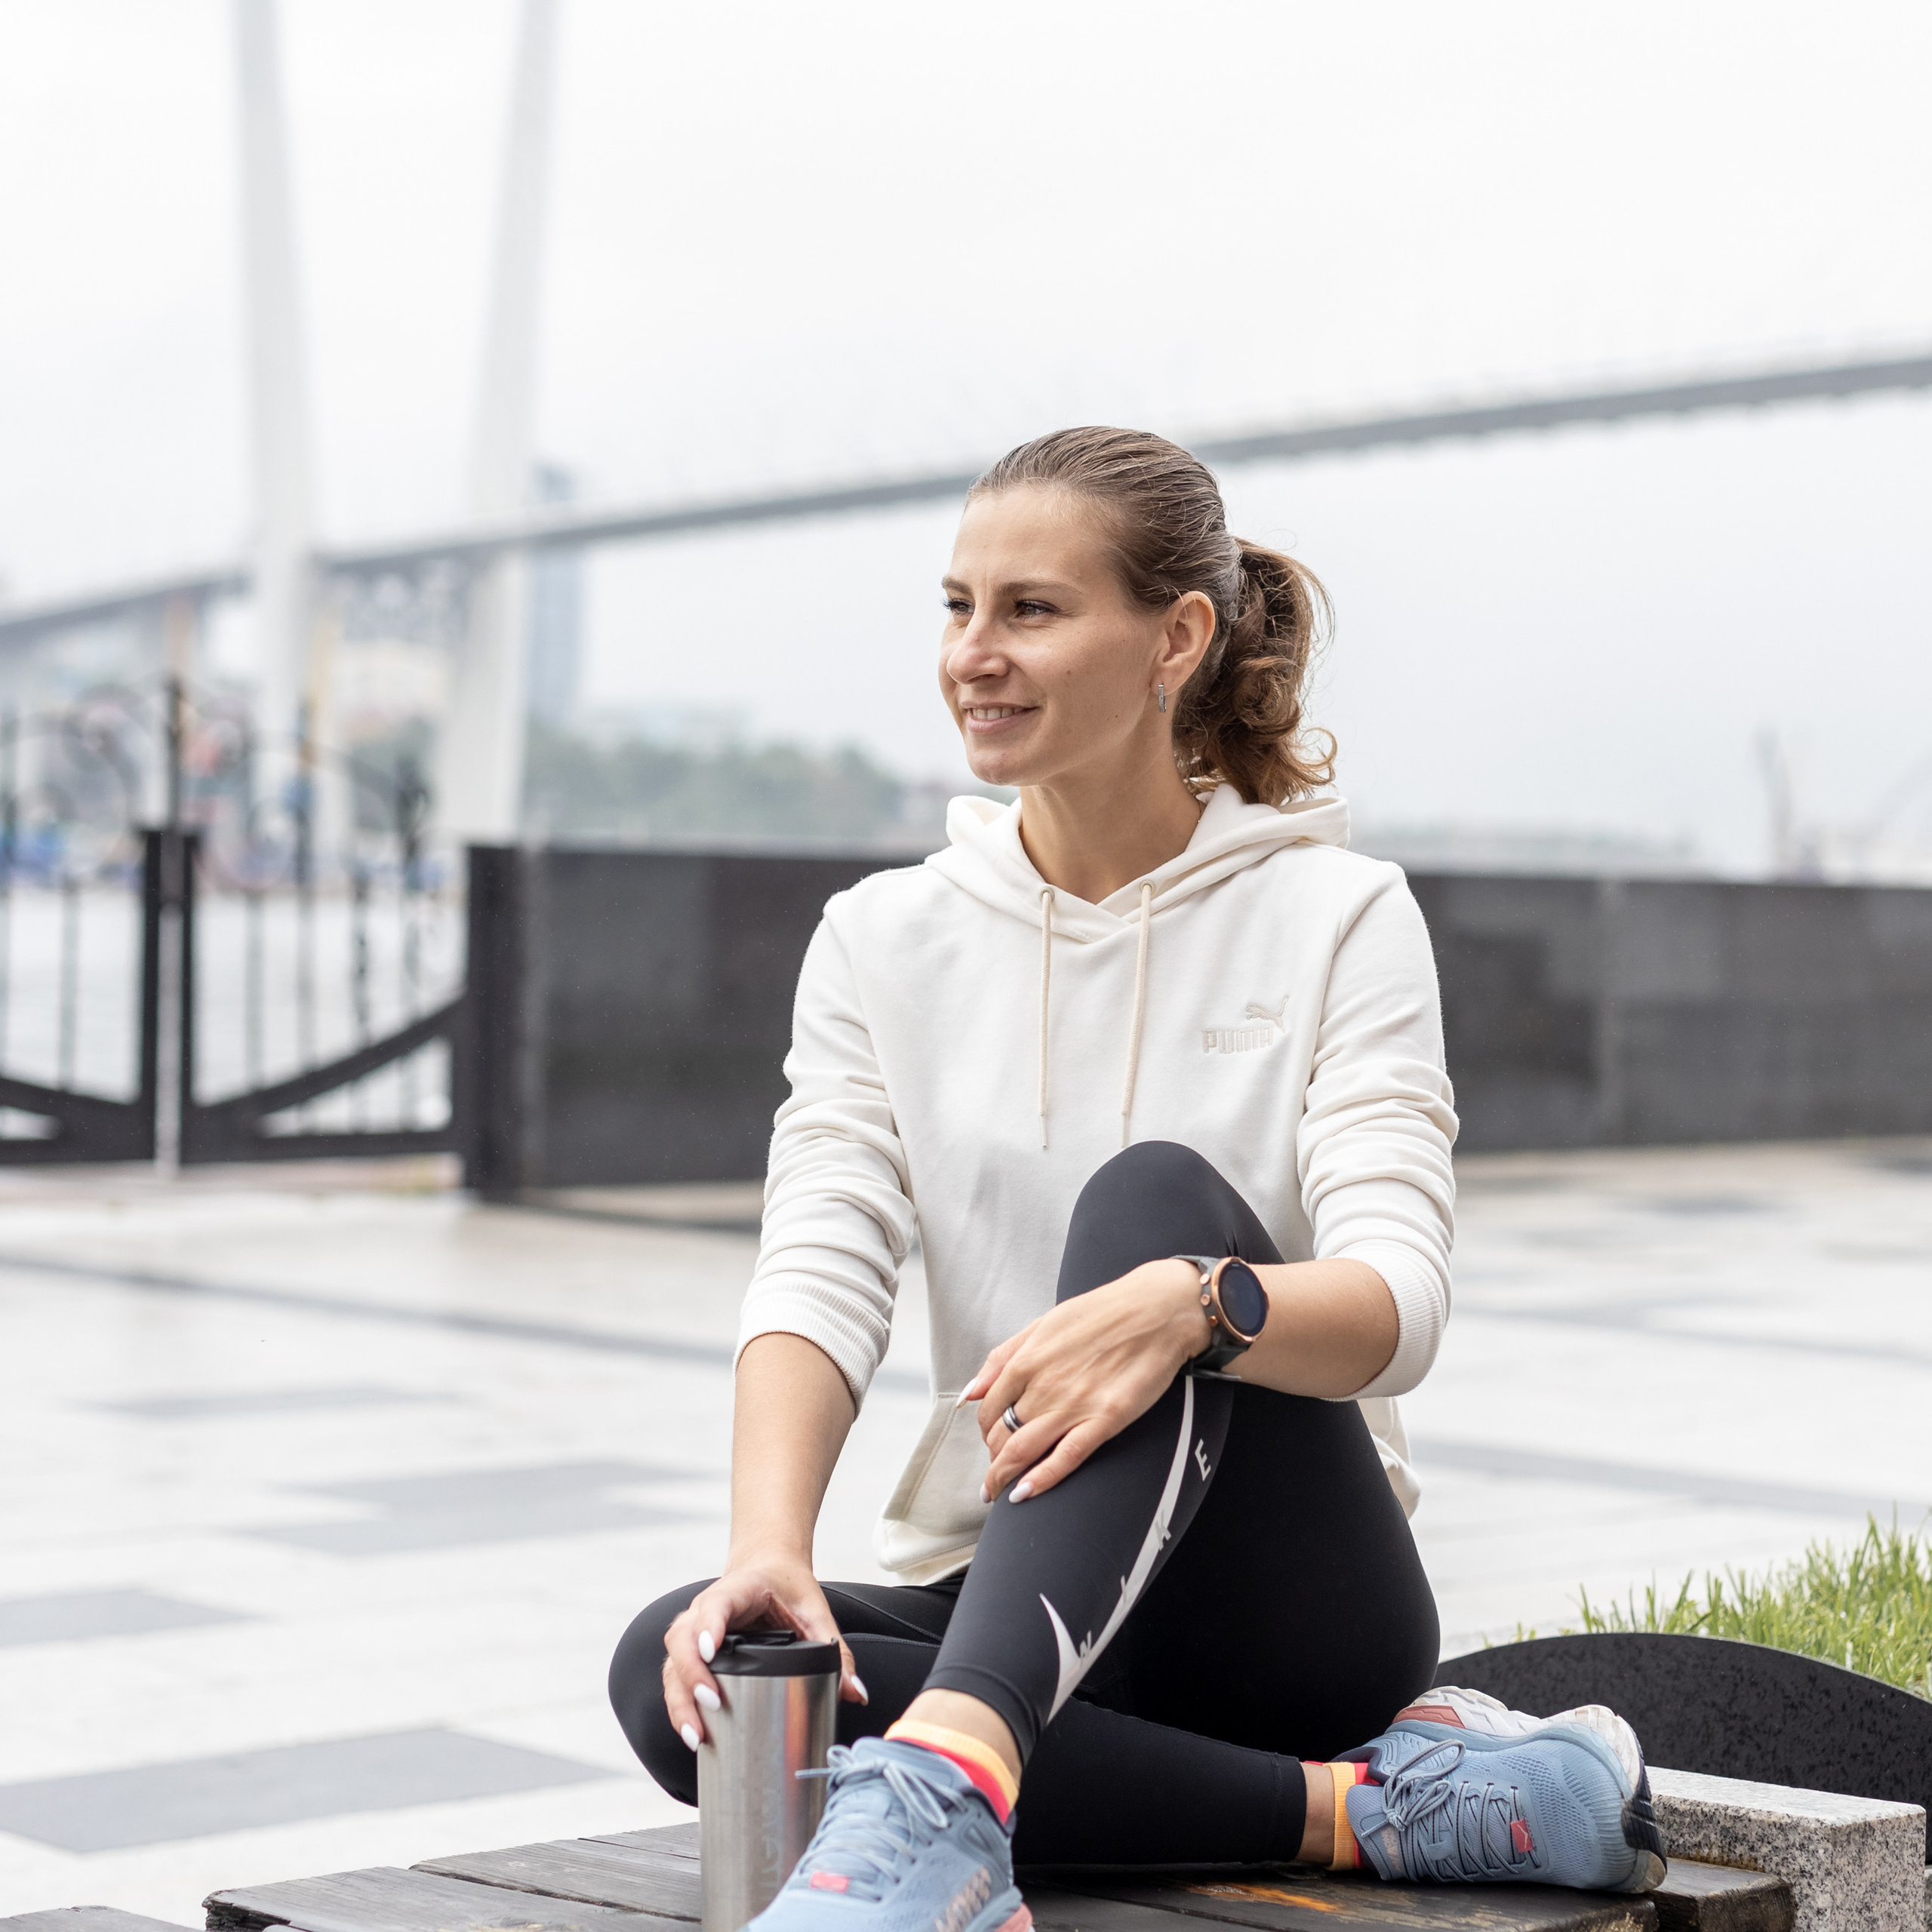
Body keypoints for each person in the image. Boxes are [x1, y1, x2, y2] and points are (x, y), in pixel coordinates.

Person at [608, 427, 1666, 1930]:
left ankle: (952, 1779)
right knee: (703, 1675)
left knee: (1152, 1203)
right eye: (956, 605)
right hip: (1017, 1599)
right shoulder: (879, 937)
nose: (972, 651)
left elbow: (1400, 1299)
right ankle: (1364, 1808)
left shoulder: (1336, 915)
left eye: (1029, 609)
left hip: (1289, 1611)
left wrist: (1194, 1303)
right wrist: (767, 1549)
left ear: (1174, 637)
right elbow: (819, 1257)